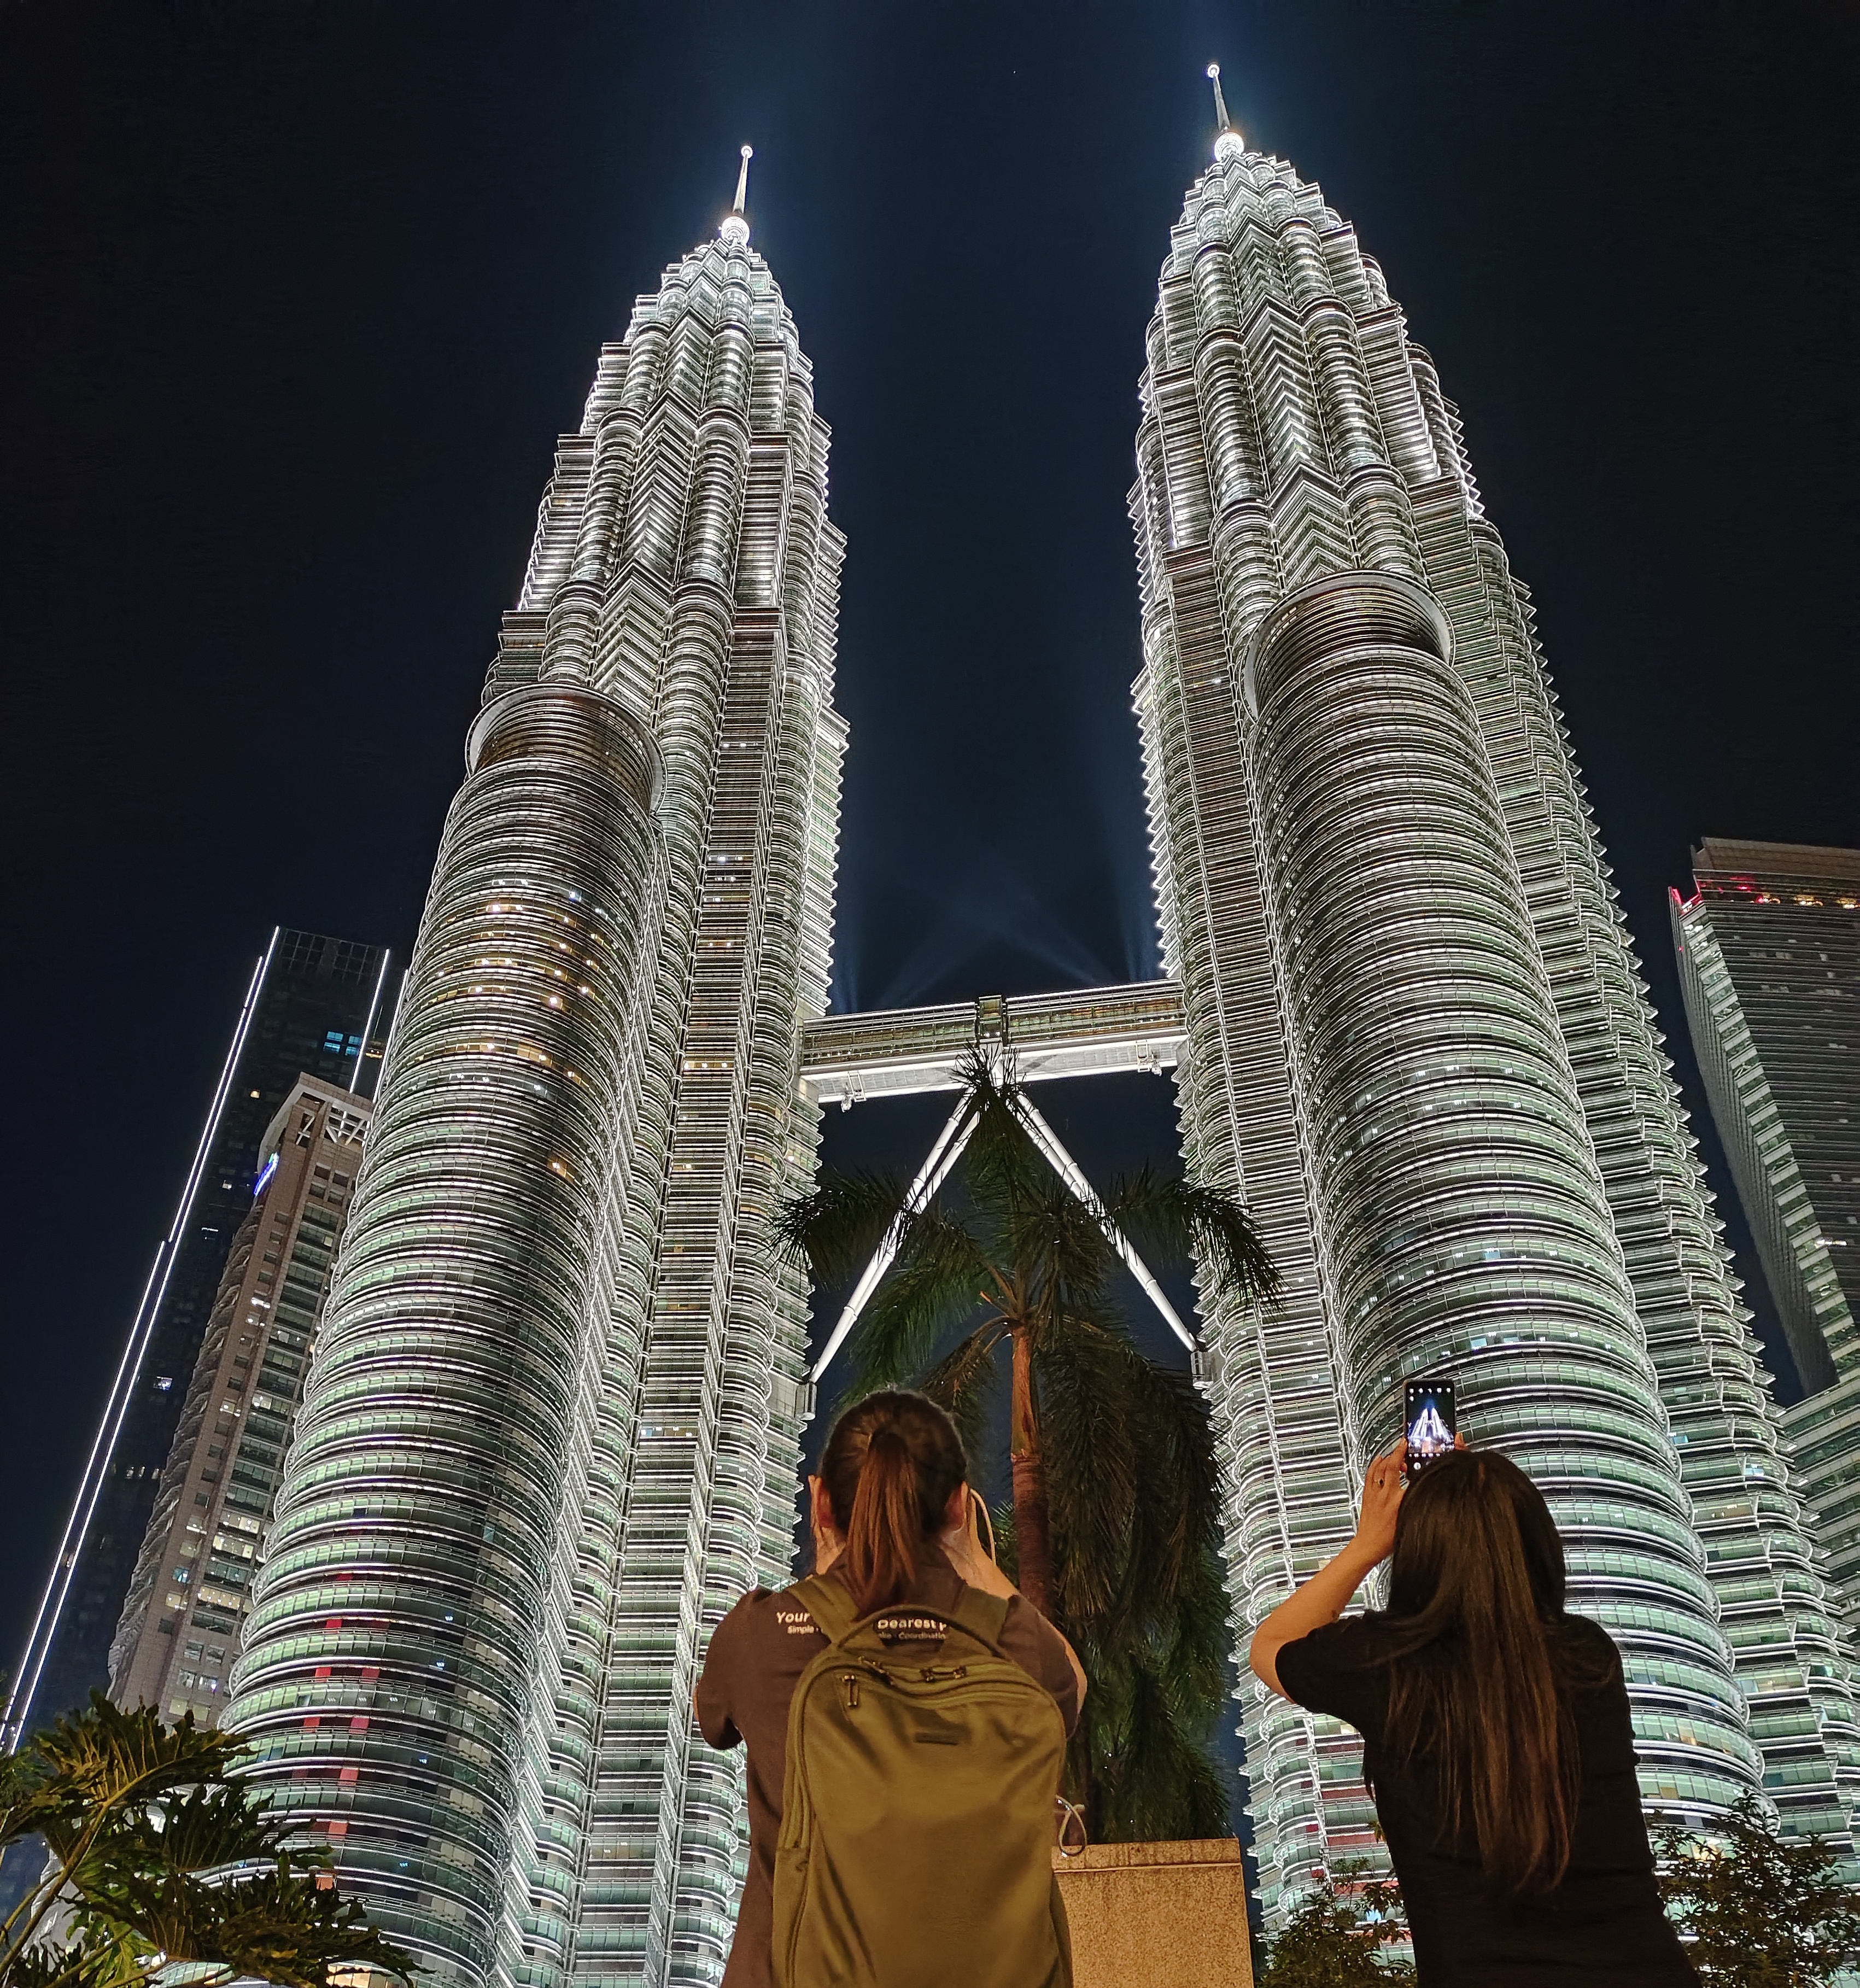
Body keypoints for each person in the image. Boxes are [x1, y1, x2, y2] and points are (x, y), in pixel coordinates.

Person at [1250, 1440, 1695, 1985]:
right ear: (1536, 1544)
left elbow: (1272, 1645)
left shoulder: (1385, 1664)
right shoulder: (1587, 1656)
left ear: (1418, 1551)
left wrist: (1368, 1545)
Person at [696, 1390, 1086, 1988]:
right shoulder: (1013, 1639)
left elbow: (713, 1721)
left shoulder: (759, 1634)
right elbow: (1072, 1689)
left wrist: (827, 1583)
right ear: (957, 1507)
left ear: (822, 1504)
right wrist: (974, 1560)